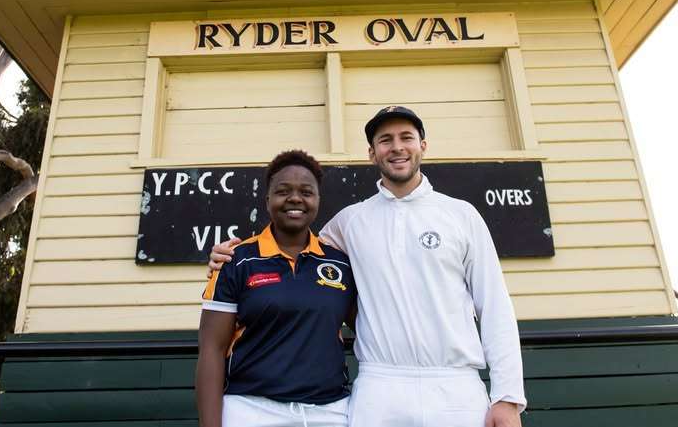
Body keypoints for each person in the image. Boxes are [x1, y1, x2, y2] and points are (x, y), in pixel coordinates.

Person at [209, 107, 526, 427]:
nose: (397, 147)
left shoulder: (461, 215)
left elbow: (495, 306)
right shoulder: (350, 222)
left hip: (456, 386)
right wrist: (229, 255)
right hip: (380, 386)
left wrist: (508, 397)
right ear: (372, 153)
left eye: (407, 138)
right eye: (385, 140)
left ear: (423, 146)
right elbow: (294, 242)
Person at [197, 149, 357, 427]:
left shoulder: (340, 263)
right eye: (283, 191)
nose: (295, 198)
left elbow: (370, 327)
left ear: (318, 200)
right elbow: (212, 349)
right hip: (252, 409)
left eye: (306, 192)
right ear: (267, 199)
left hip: (329, 412)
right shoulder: (236, 261)